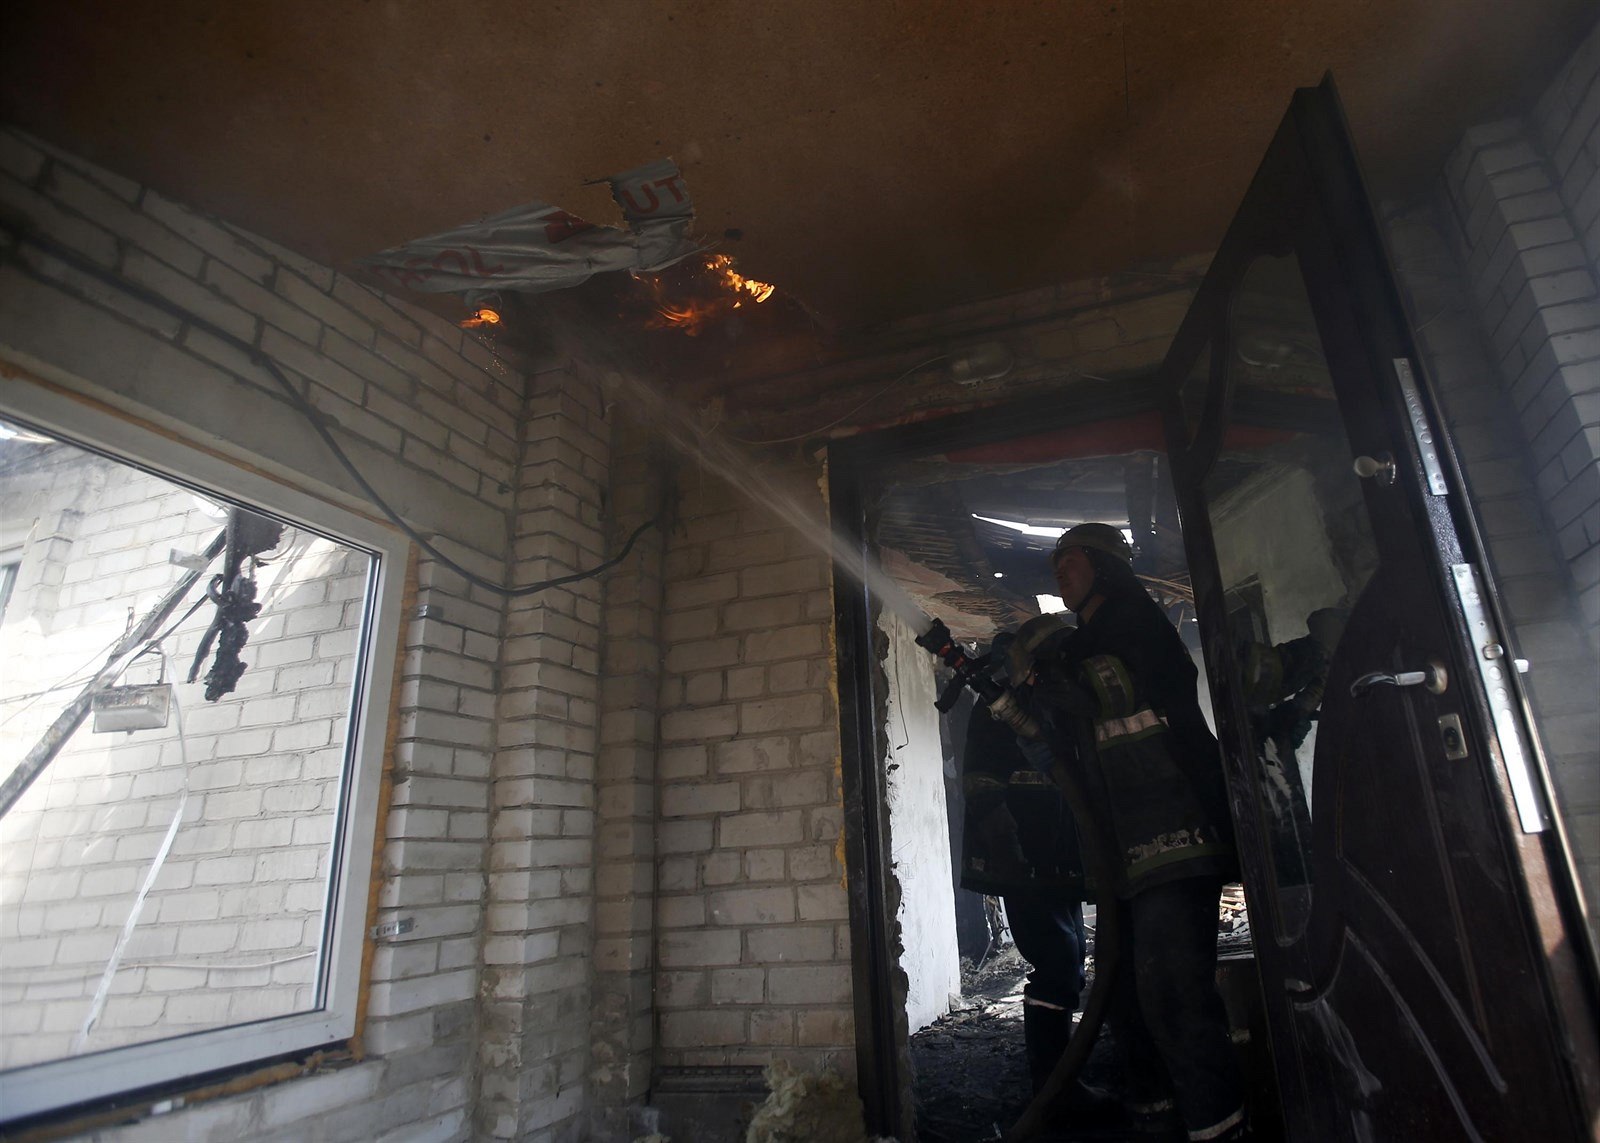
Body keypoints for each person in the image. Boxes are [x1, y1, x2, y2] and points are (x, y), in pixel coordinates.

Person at [1024, 523, 1248, 1142]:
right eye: (1056, 562)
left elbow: (1107, 688)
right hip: (1124, 847)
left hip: (1176, 831)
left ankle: (1219, 1128)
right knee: (1124, 993)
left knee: (1174, 993)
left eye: (1070, 559)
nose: (1059, 571)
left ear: (1105, 566)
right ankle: (1156, 1119)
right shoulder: (1084, 639)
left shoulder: (1138, 624)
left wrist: (1053, 669)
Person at [958, 621, 1121, 1126]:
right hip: (1025, 859)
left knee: (1070, 957)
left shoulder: (1047, 703)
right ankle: (1054, 1091)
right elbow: (982, 783)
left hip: (1055, 854)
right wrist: (1006, 847)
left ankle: (1060, 1084)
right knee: (1056, 963)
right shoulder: (998, 705)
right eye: (1049, 658)